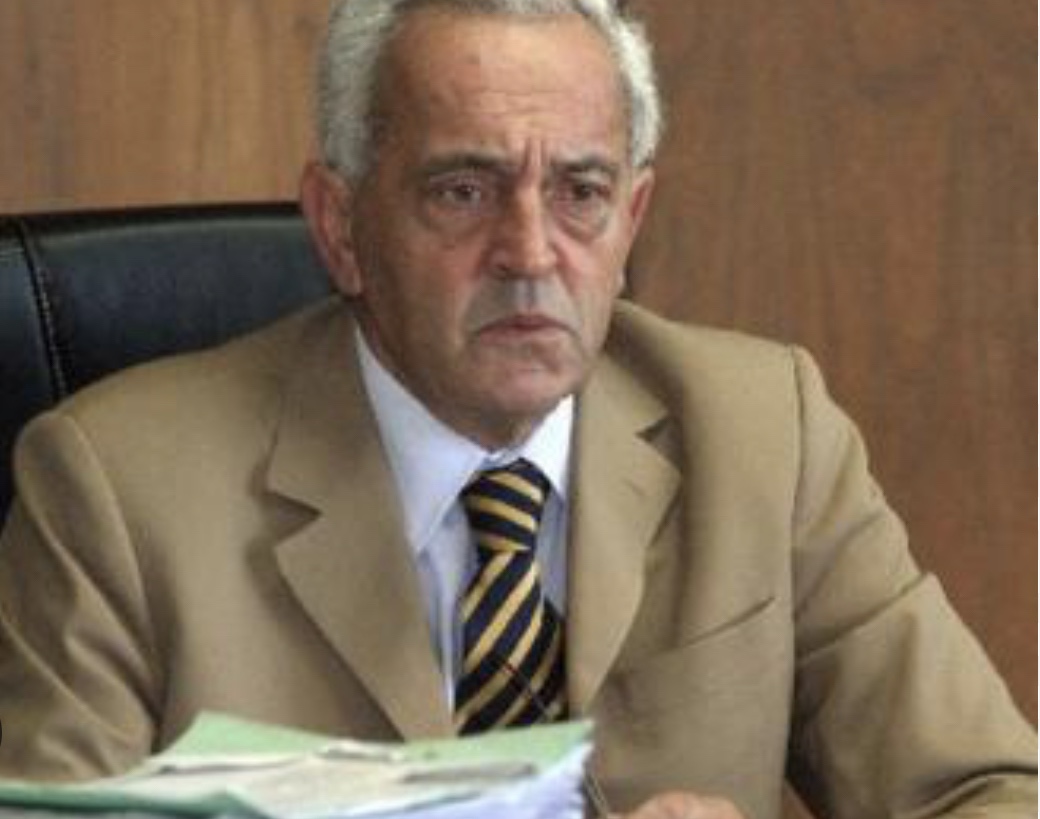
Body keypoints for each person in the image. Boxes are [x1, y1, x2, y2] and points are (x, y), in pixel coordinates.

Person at [0, 0, 1035, 816]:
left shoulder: (766, 434)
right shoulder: (119, 490)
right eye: (463, 190)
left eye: (580, 191)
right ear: (342, 226)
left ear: (631, 220)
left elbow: (989, 791)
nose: (531, 252)